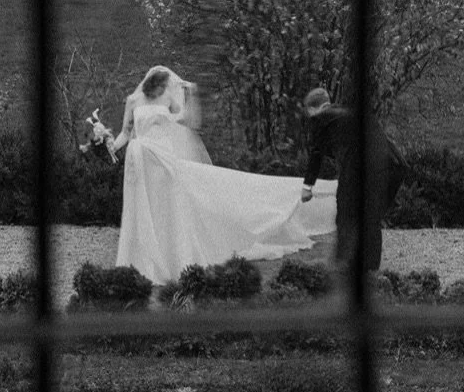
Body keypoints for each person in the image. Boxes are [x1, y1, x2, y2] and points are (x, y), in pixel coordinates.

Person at [110, 65, 336, 286]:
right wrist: (109, 144)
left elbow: (188, 122)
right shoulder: (133, 101)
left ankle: (168, 257)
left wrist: (190, 96)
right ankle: (144, 258)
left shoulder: (167, 100)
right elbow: (125, 134)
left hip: (163, 162)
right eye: (166, 84)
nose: (169, 87)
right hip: (140, 163)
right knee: (143, 210)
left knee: (167, 209)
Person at [300, 87, 406, 273]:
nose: (311, 119)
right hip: (392, 165)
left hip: (361, 167)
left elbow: (316, 153)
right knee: (370, 219)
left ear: (317, 108)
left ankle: (346, 265)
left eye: (310, 113)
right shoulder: (351, 114)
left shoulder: (323, 117)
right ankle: (371, 270)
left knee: (345, 213)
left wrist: (307, 186)